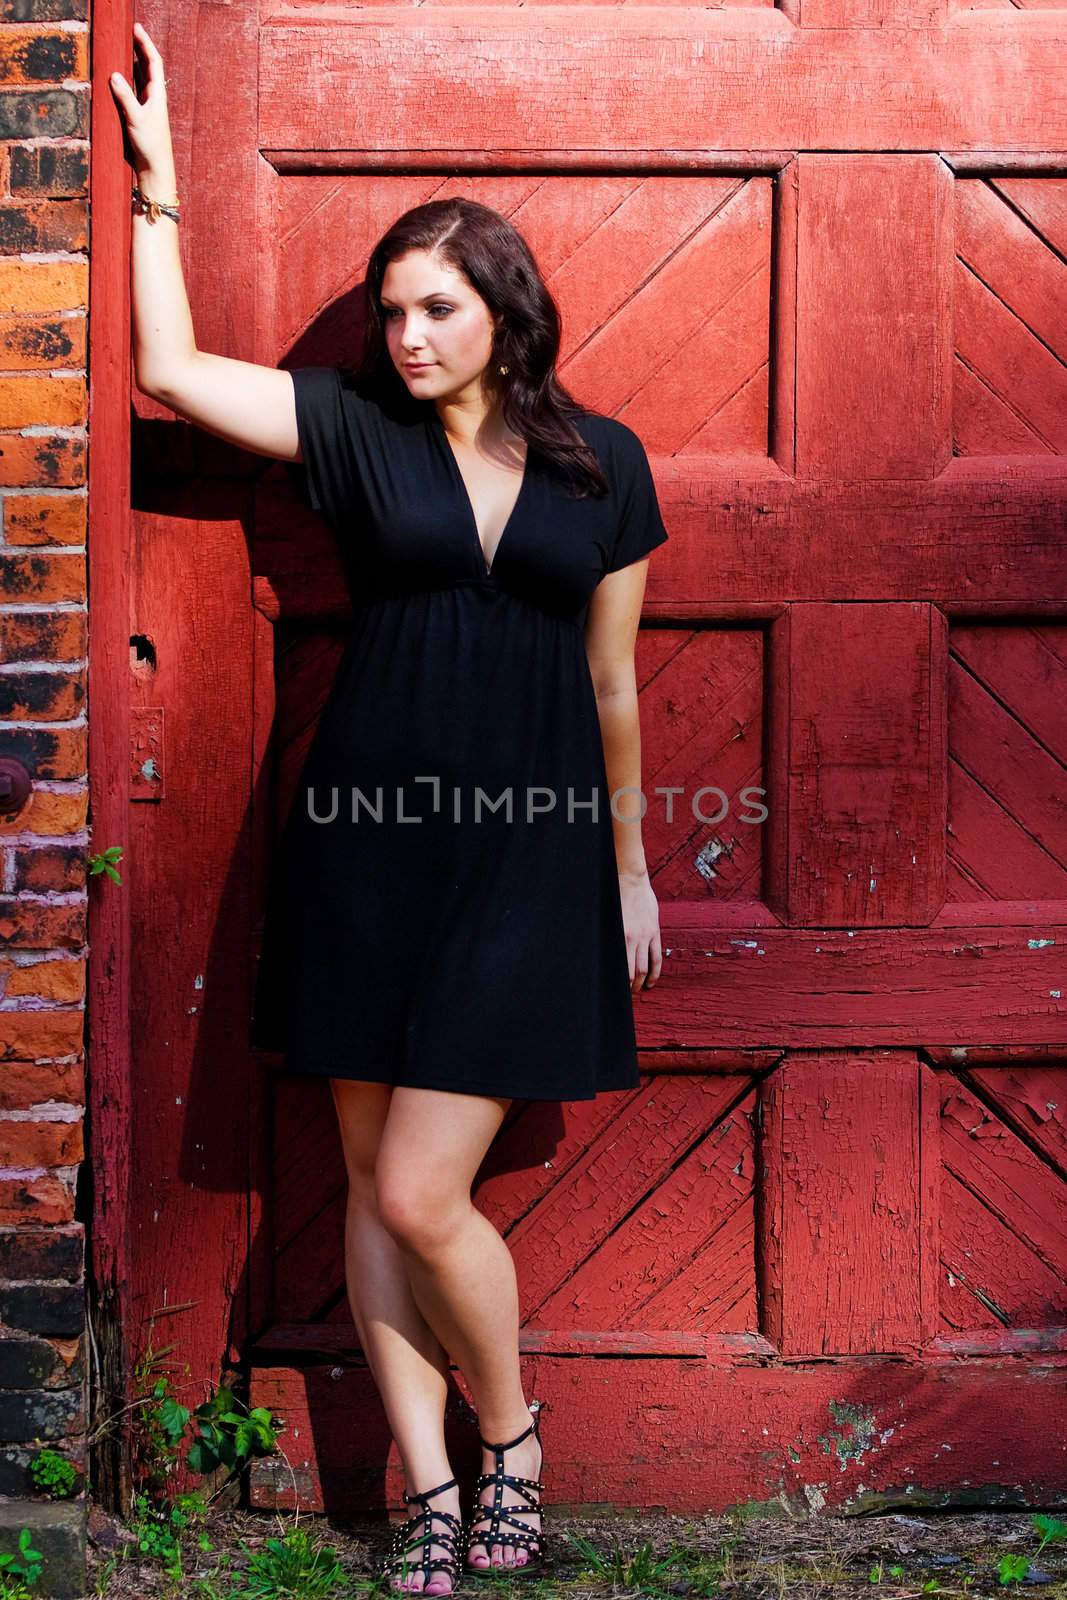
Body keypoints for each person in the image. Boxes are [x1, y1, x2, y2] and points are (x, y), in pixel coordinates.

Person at [111, 22, 668, 1596]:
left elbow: (614, 687)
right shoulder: (353, 434)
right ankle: (432, 1488)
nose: (408, 333)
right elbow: (166, 371)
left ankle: (514, 1435)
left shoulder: (600, 468)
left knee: (427, 1189)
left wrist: (627, 867)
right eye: (391, 311)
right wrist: (158, 194)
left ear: (505, 310)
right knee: (371, 1184)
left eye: (439, 307)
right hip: (364, 840)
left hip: (529, 855)